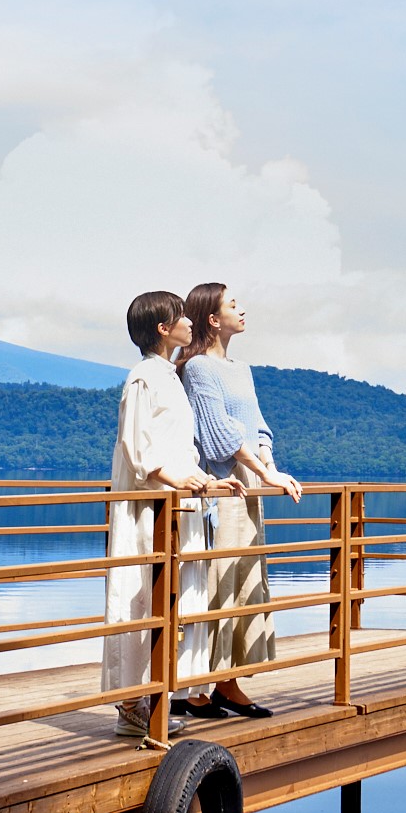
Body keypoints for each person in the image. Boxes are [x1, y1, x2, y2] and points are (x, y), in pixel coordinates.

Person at [102, 289, 236, 739]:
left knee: (167, 602)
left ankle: (152, 698)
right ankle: (130, 705)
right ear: (163, 329)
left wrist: (206, 481)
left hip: (172, 506)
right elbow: (137, 445)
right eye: (181, 316)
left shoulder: (169, 377)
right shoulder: (143, 377)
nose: (189, 322)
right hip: (146, 509)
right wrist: (175, 479)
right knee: (139, 596)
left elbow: (178, 448)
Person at [176, 281, 302, 719]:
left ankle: (228, 682)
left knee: (246, 580)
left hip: (247, 488)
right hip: (220, 488)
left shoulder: (241, 369)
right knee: (217, 582)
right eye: (233, 304)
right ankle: (195, 687)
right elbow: (220, 433)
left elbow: (257, 427)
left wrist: (270, 465)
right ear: (213, 319)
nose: (242, 309)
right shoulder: (197, 370)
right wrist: (266, 472)